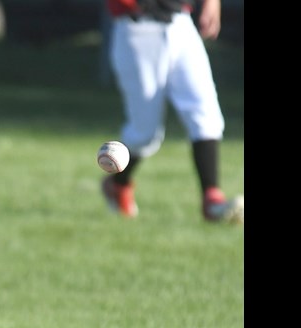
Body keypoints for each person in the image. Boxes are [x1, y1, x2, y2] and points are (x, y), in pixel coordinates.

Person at [101, 0, 243, 223]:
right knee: (144, 133)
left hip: (180, 23)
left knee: (205, 114)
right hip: (137, 28)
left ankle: (212, 199)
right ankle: (118, 184)